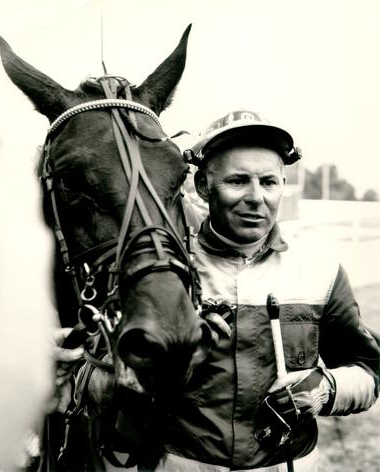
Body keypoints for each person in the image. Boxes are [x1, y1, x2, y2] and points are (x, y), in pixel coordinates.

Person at [57, 110, 379, 472]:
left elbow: (369, 370)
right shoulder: (161, 272)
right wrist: (176, 348)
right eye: (238, 181)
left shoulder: (320, 269)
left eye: (269, 182)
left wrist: (325, 390)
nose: (256, 197)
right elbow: (91, 379)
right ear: (203, 187)